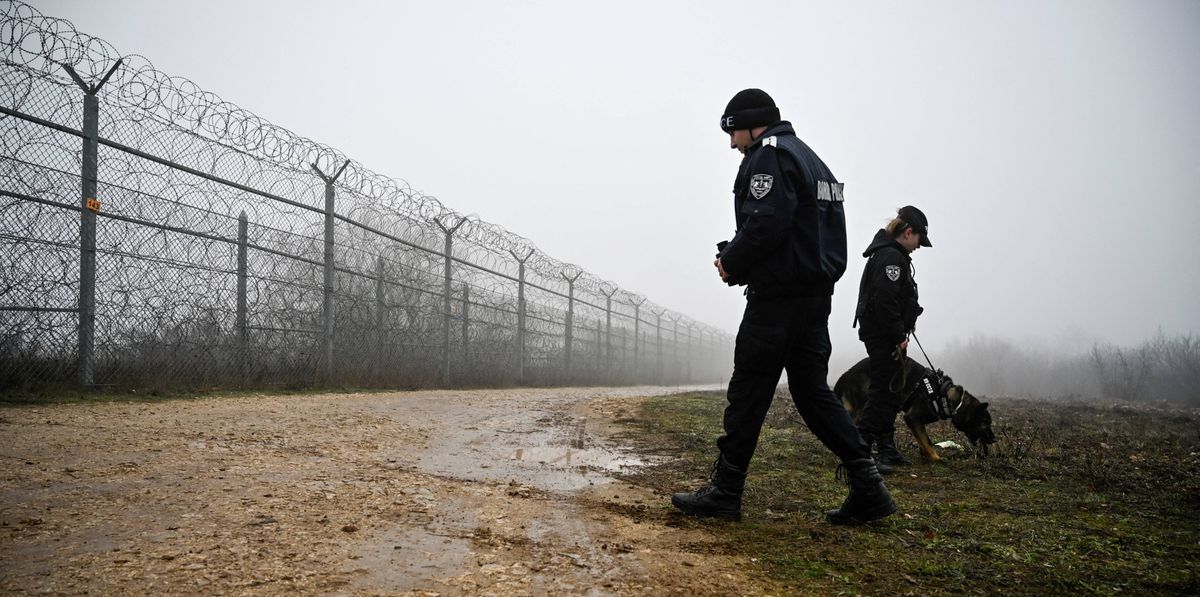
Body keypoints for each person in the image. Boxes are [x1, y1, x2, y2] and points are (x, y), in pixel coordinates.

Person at [671, 89, 896, 525]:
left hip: (779, 298)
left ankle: (726, 491)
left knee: (749, 389)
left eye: (733, 131)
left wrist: (731, 262)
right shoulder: (810, 158)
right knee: (812, 394)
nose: (732, 143)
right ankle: (869, 486)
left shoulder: (769, 156)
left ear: (752, 124)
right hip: (814, 297)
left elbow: (767, 224)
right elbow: (797, 226)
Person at [852, 206, 930, 471]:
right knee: (883, 393)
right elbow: (885, 302)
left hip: (887, 336)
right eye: (919, 239)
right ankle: (860, 451)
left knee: (891, 392)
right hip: (885, 337)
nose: (919, 246)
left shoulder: (891, 255)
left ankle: (887, 449)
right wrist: (898, 335)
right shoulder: (890, 258)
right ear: (909, 232)